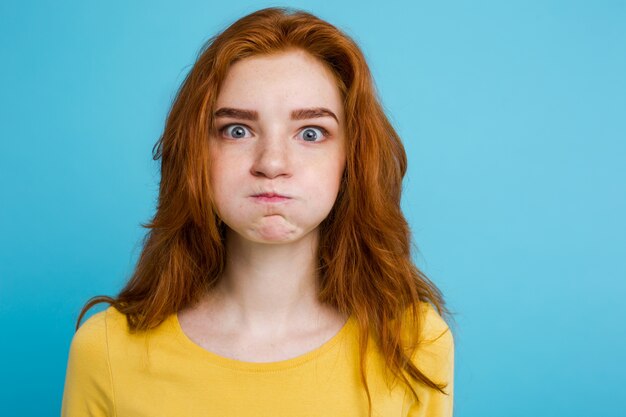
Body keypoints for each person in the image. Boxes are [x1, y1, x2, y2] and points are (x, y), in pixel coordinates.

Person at [61, 7, 454, 417]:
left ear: (350, 159)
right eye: (237, 130)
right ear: (197, 152)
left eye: (311, 133)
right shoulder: (105, 351)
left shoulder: (415, 345)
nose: (271, 163)